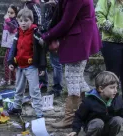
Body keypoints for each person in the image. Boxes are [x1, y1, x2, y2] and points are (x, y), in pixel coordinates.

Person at [41, 0, 101, 128]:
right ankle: (91, 110)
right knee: (78, 79)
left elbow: (66, 22)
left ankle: (70, 118)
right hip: (80, 38)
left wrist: (47, 36)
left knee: (73, 79)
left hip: (79, 39)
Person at [67, 71, 123, 136]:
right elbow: (79, 116)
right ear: (101, 89)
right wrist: (75, 130)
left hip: (107, 128)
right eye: (112, 87)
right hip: (93, 128)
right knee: (98, 122)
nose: (115, 90)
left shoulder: (117, 99)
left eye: (116, 87)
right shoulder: (89, 101)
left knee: (118, 119)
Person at [7, 8, 46, 119]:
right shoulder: (18, 34)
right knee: (18, 88)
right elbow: (13, 48)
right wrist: (11, 62)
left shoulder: (35, 33)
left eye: (26, 20)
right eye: (21, 20)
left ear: (31, 21)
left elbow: (42, 50)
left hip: (31, 66)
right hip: (19, 66)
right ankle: (17, 107)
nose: (23, 23)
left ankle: (39, 113)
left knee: (34, 90)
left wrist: (42, 66)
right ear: (18, 21)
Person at [39, 0, 63, 98]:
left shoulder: (61, 4)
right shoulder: (43, 4)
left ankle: (57, 88)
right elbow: (42, 19)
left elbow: (63, 20)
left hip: (54, 36)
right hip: (43, 34)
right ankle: (43, 84)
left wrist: (56, 5)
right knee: (41, 61)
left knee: (56, 63)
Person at [0, 4, 19, 87]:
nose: (9, 14)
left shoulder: (15, 21)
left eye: (12, 13)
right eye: (8, 12)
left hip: (12, 45)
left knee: (7, 62)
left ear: (16, 14)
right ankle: (13, 79)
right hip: (8, 45)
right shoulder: (8, 20)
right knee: (11, 62)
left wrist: (7, 20)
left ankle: (7, 79)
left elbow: (13, 29)